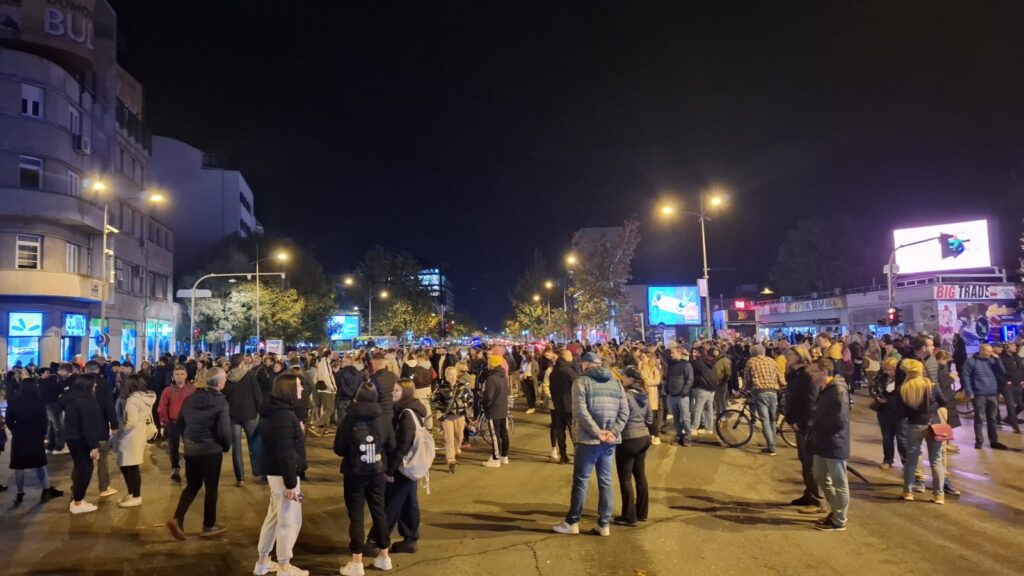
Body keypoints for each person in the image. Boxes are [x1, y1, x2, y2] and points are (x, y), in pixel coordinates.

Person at [552, 352, 629, 537]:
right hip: (609, 440)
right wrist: (613, 432)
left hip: (588, 439)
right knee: (606, 480)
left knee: (581, 481)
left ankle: (573, 521)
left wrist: (597, 432)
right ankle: (604, 523)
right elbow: (624, 411)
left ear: (585, 364)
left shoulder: (581, 382)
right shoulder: (615, 382)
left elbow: (580, 412)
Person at [335, 383, 394, 576]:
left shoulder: (349, 419)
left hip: (354, 473)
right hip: (377, 472)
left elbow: (339, 448)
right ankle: (384, 557)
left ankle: (357, 562)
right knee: (379, 511)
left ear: (357, 397)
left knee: (356, 515)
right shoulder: (384, 418)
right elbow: (392, 445)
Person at [167, 368, 232, 540]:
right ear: (218, 383)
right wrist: (226, 446)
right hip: (211, 450)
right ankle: (209, 525)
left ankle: (178, 518)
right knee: (211, 488)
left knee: (192, 485)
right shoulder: (221, 402)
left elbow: (180, 423)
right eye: (224, 379)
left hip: (192, 450)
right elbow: (224, 430)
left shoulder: (190, 398)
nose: (225, 382)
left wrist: (188, 440)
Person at [254, 372, 308, 576]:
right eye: (298, 385)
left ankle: (263, 561)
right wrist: (291, 484)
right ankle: (284, 566)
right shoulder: (284, 416)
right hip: (284, 475)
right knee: (288, 519)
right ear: (289, 390)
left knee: (275, 516)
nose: (301, 389)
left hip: (275, 473)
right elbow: (286, 452)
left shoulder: (274, 411)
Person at [808, 359, 850, 532]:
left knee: (839, 482)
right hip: (822, 441)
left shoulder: (837, 390)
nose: (811, 374)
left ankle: (839, 520)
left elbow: (839, 420)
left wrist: (819, 427)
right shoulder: (825, 389)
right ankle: (835, 511)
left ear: (824, 372)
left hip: (834, 442)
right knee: (820, 476)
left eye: (814, 371)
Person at [7, 378, 64, 504]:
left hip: (19, 435)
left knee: (19, 465)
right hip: (35, 434)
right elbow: (43, 421)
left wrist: (15, 429)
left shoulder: (14, 401)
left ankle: (20, 492)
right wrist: (43, 434)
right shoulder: (39, 401)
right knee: (40, 463)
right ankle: (46, 490)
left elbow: (8, 420)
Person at [385, 378, 425, 554]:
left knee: (392, 503)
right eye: (393, 390)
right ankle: (410, 538)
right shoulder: (410, 410)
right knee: (409, 501)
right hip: (410, 465)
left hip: (403, 466)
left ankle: (377, 540)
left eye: (397, 391)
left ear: (405, 393)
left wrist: (390, 469)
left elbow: (402, 445)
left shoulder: (406, 413)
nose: (392, 393)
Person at [897, 359, 946, 504]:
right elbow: (943, 402)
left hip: (914, 425)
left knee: (911, 460)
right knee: (936, 460)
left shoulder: (903, 389)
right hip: (934, 425)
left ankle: (907, 492)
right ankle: (939, 495)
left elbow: (901, 413)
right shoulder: (932, 386)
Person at [783, 346, 822, 512]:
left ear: (800, 355)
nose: (787, 356)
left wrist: (802, 422)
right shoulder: (796, 374)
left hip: (806, 425)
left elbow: (811, 401)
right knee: (805, 460)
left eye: (791, 354)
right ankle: (809, 493)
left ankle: (817, 499)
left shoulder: (806, 374)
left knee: (810, 462)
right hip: (798, 422)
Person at [613, 367, 652, 527]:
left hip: (629, 439)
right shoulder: (644, 394)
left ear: (630, 379)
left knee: (625, 478)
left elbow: (620, 417)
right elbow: (649, 418)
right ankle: (642, 512)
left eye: (623, 376)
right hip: (643, 437)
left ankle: (629, 516)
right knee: (640, 476)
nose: (621, 378)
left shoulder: (626, 395)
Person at [61, 374, 103, 514]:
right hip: (82, 439)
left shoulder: (71, 397)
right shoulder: (86, 400)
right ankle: (77, 502)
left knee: (80, 468)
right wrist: (94, 445)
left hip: (72, 437)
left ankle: (77, 498)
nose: (95, 386)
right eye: (93, 383)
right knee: (85, 470)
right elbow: (88, 425)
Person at [114, 374, 156, 507]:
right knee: (129, 465)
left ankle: (136, 496)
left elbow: (131, 422)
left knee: (130, 466)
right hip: (139, 432)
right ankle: (131, 493)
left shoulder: (132, 400)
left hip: (131, 435)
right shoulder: (147, 397)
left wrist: (121, 431)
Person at [224, 354, 263, 486]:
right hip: (249, 413)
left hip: (233, 415)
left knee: (236, 447)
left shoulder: (227, 377)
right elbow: (257, 394)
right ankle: (258, 471)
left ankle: (240, 477)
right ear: (241, 363)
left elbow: (224, 396)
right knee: (255, 443)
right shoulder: (249, 375)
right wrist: (260, 410)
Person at [84, 361, 119, 499]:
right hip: (100, 426)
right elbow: (109, 406)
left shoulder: (78, 383)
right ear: (98, 370)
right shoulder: (104, 383)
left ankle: (77, 493)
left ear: (85, 369)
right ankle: (104, 487)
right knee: (102, 458)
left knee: (81, 462)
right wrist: (114, 424)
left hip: (82, 428)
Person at [962, 344, 1008, 450]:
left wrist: (998, 360)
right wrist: (969, 391)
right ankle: (979, 441)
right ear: (981, 350)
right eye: (988, 351)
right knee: (979, 418)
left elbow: (1002, 372)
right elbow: (965, 376)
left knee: (992, 418)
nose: (990, 353)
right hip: (979, 394)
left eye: (991, 351)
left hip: (992, 393)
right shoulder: (971, 362)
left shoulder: (992, 361)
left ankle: (994, 441)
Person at [744, 344, 786, 456]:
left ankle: (771, 448)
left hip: (760, 392)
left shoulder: (751, 362)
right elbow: (780, 377)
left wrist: (743, 390)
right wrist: (783, 386)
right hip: (773, 392)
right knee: (772, 420)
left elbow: (747, 379)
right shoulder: (772, 361)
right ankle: (772, 443)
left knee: (765, 420)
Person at [158, 365, 195, 483]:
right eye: (177, 374)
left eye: (182, 374)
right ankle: (175, 469)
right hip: (173, 422)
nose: (179, 376)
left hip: (188, 423)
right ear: (173, 376)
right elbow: (162, 407)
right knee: (173, 447)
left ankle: (190, 469)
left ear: (186, 375)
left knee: (189, 447)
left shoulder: (192, 390)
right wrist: (165, 421)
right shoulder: (168, 391)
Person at [433, 366, 472, 473]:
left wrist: (467, 404)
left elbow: (469, 398)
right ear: (446, 376)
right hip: (447, 417)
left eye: (454, 374)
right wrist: (443, 408)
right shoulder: (441, 388)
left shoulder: (462, 387)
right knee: (449, 439)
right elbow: (434, 401)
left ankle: (456, 451)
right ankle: (451, 461)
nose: (452, 377)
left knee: (459, 437)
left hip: (460, 416)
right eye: (450, 374)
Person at [869, 358, 904, 470]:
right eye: (886, 369)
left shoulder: (903, 380)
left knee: (901, 438)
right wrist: (877, 397)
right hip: (884, 411)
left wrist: (889, 400)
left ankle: (905, 462)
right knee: (887, 437)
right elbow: (873, 389)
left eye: (890, 369)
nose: (887, 372)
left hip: (899, 412)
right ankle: (887, 460)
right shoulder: (881, 378)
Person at [481, 355, 511, 467]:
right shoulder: (504, 376)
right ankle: (504, 456)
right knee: (504, 433)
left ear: (491, 364)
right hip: (503, 408)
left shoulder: (492, 378)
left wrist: (485, 406)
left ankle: (495, 459)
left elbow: (488, 396)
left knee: (495, 435)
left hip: (494, 410)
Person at [549, 349, 577, 463]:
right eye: (571, 356)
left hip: (557, 406)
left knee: (560, 431)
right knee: (574, 431)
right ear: (566, 357)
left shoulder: (553, 372)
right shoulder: (570, 371)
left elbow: (551, 389)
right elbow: (577, 389)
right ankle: (578, 454)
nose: (572, 358)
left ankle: (563, 456)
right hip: (570, 406)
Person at [664, 346, 694, 447]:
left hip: (682, 396)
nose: (671, 355)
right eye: (671, 353)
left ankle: (688, 437)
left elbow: (690, 380)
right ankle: (679, 436)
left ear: (679, 353)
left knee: (685, 418)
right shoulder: (671, 365)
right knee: (676, 418)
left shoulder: (686, 365)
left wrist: (684, 392)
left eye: (673, 353)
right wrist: (668, 391)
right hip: (672, 396)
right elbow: (668, 378)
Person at [41, 363, 72, 455]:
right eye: (68, 373)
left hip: (48, 405)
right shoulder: (56, 379)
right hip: (53, 404)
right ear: (64, 370)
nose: (68, 376)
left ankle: (50, 446)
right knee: (59, 426)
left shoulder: (50, 378)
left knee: (51, 426)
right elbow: (57, 392)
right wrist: (62, 393)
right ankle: (59, 447)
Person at [689, 347, 718, 436]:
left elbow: (693, 371)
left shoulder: (698, 362)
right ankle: (709, 428)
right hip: (712, 386)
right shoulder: (709, 360)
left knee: (698, 408)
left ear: (699, 353)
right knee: (709, 407)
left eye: (695, 352)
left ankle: (694, 428)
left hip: (704, 387)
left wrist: (691, 358)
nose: (693, 354)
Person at [637, 350, 663, 445]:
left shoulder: (654, 368)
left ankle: (656, 436)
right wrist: (639, 368)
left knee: (652, 416)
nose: (642, 359)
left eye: (644, 357)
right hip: (642, 394)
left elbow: (657, 381)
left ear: (649, 358)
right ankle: (651, 435)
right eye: (641, 357)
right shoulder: (641, 367)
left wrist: (647, 381)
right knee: (646, 416)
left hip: (652, 394)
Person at [997, 342, 1023, 434]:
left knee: (1021, 404)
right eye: (1012, 346)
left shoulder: (1016, 357)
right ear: (1006, 348)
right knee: (1010, 405)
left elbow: (1022, 369)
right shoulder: (1001, 358)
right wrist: (1005, 381)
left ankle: (1009, 419)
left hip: (1018, 384)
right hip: (1007, 385)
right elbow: (998, 372)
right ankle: (1015, 427)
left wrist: (1023, 379)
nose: (1015, 347)